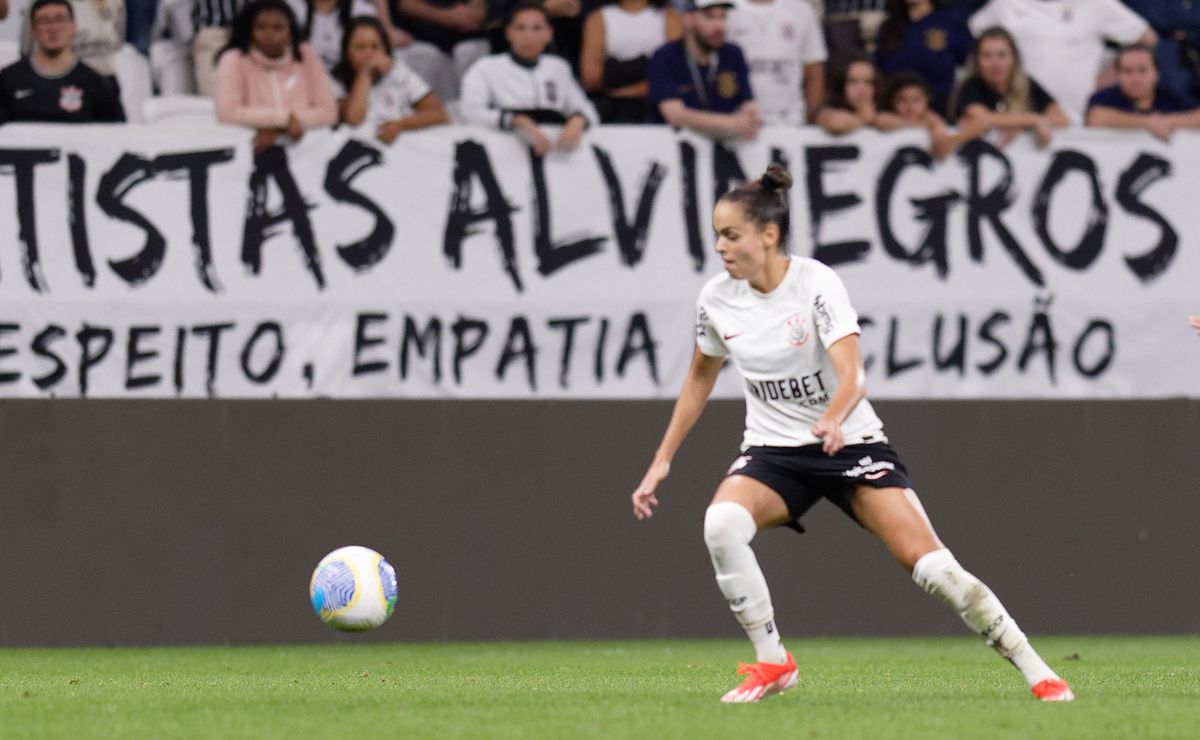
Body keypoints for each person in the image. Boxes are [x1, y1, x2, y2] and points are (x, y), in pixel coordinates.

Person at [630, 162, 1076, 705]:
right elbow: (699, 380)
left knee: (934, 568)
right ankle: (774, 664)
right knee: (721, 524)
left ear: (768, 235)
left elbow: (854, 375)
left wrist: (834, 416)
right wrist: (662, 459)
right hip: (774, 453)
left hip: (851, 446)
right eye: (717, 236)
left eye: (731, 234)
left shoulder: (815, 283)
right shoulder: (717, 299)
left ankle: (1037, 670)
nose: (721, 247)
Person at [968, 0, 1155, 124]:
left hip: (1077, 118)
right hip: (1017, 120)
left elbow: (1146, 38)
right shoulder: (1005, 4)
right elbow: (975, 37)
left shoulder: (1096, 4)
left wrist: (1113, 75)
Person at [459, 1, 598, 155]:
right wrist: (516, 121)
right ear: (508, 33)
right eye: (520, 28)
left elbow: (587, 110)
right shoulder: (485, 68)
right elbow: (470, 112)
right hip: (502, 152)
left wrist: (577, 122)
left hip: (555, 152)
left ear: (549, 34)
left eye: (537, 29)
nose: (528, 36)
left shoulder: (558, 67)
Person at [214, 0, 337, 153]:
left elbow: (328, 112)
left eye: (278, 28)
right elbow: (227, 113)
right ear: (249, 30)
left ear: (290, 31)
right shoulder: (233, 58)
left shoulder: (305, 54)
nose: (269, 35)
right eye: (261, 27)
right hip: (253, 146)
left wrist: (283, 129)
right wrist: (285, 119)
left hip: (305, 146)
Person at [646, 0, 761, 140]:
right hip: (675, 147)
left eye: (723, 17)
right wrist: (731, 123)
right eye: (710, 17)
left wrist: (752, 115)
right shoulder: (666, 55)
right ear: (688, 18)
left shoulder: (732, 53)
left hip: (724, 148)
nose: (720, 26)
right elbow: (674, 114)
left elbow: (746, 101)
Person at [0, 0, 125, 122]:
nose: (52, 28)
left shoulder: (97, 85)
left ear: (74, 26)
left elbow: (116, 135)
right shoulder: (8, 80)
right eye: (44, 21)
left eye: (59, 20)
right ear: (32, 30)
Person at [332, 16, 449, 143]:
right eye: (360, 47)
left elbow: (439, 114)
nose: (368, 54)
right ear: (346, 52)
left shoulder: (398, 71)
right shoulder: (335, 81)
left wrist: (401, 125)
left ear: (385, 50)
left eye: (375, 47)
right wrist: (365, 75)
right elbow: (353, 119)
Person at [951, 27, 1066, 148]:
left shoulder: (1026, 84)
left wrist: (1019, 125)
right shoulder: (971, 85)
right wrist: (1034, 120)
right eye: (987, 55)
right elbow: (982, 119)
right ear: (977, 60)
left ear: (1014, 59)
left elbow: (1061, 119)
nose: (995, 63)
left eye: (1002, 55)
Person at [579, 0, 683, 124]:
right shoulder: (598, 18)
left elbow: (675, 74)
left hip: (658, 110)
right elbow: (591, 78)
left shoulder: (670, 17)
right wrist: (649, 66)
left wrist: (616, 80)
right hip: (612, 112)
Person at [726, 0, 827, 126]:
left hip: (791, 122)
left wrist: (810, 120)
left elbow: (814, 73)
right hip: (737, 123)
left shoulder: (801, 10)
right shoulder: (724, 9)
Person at [875, 0, 972, 118]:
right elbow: (878, 73)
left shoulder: (952, 23)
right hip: (893, 115)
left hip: (940, 114)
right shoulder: (889, 27)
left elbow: (972, 65)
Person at [1085, 44, 1200, 143]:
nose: (1136, 78)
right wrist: (1149, 123)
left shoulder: (1167, 95)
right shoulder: (1104, 97)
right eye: (1128, 71)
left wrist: (1168, 122)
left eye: (1142, 70)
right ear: (1117, 75)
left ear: (1156, 73)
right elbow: (1095, 118)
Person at [876, 71, 976, 157]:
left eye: (916, 100)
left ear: (926, 100)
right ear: (892, 102)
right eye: (902, 100)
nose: (910, 106)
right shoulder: (884, 119)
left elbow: (942, 146)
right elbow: (881, 120)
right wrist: (923, 124)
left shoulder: (933, 119)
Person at [814, 53, 877, 134]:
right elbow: (835, 123)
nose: (862, 89)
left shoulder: (879, 109)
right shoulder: (826, 110)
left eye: (868, 82)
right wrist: (863, 119)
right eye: (853, 81)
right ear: (840, 84)